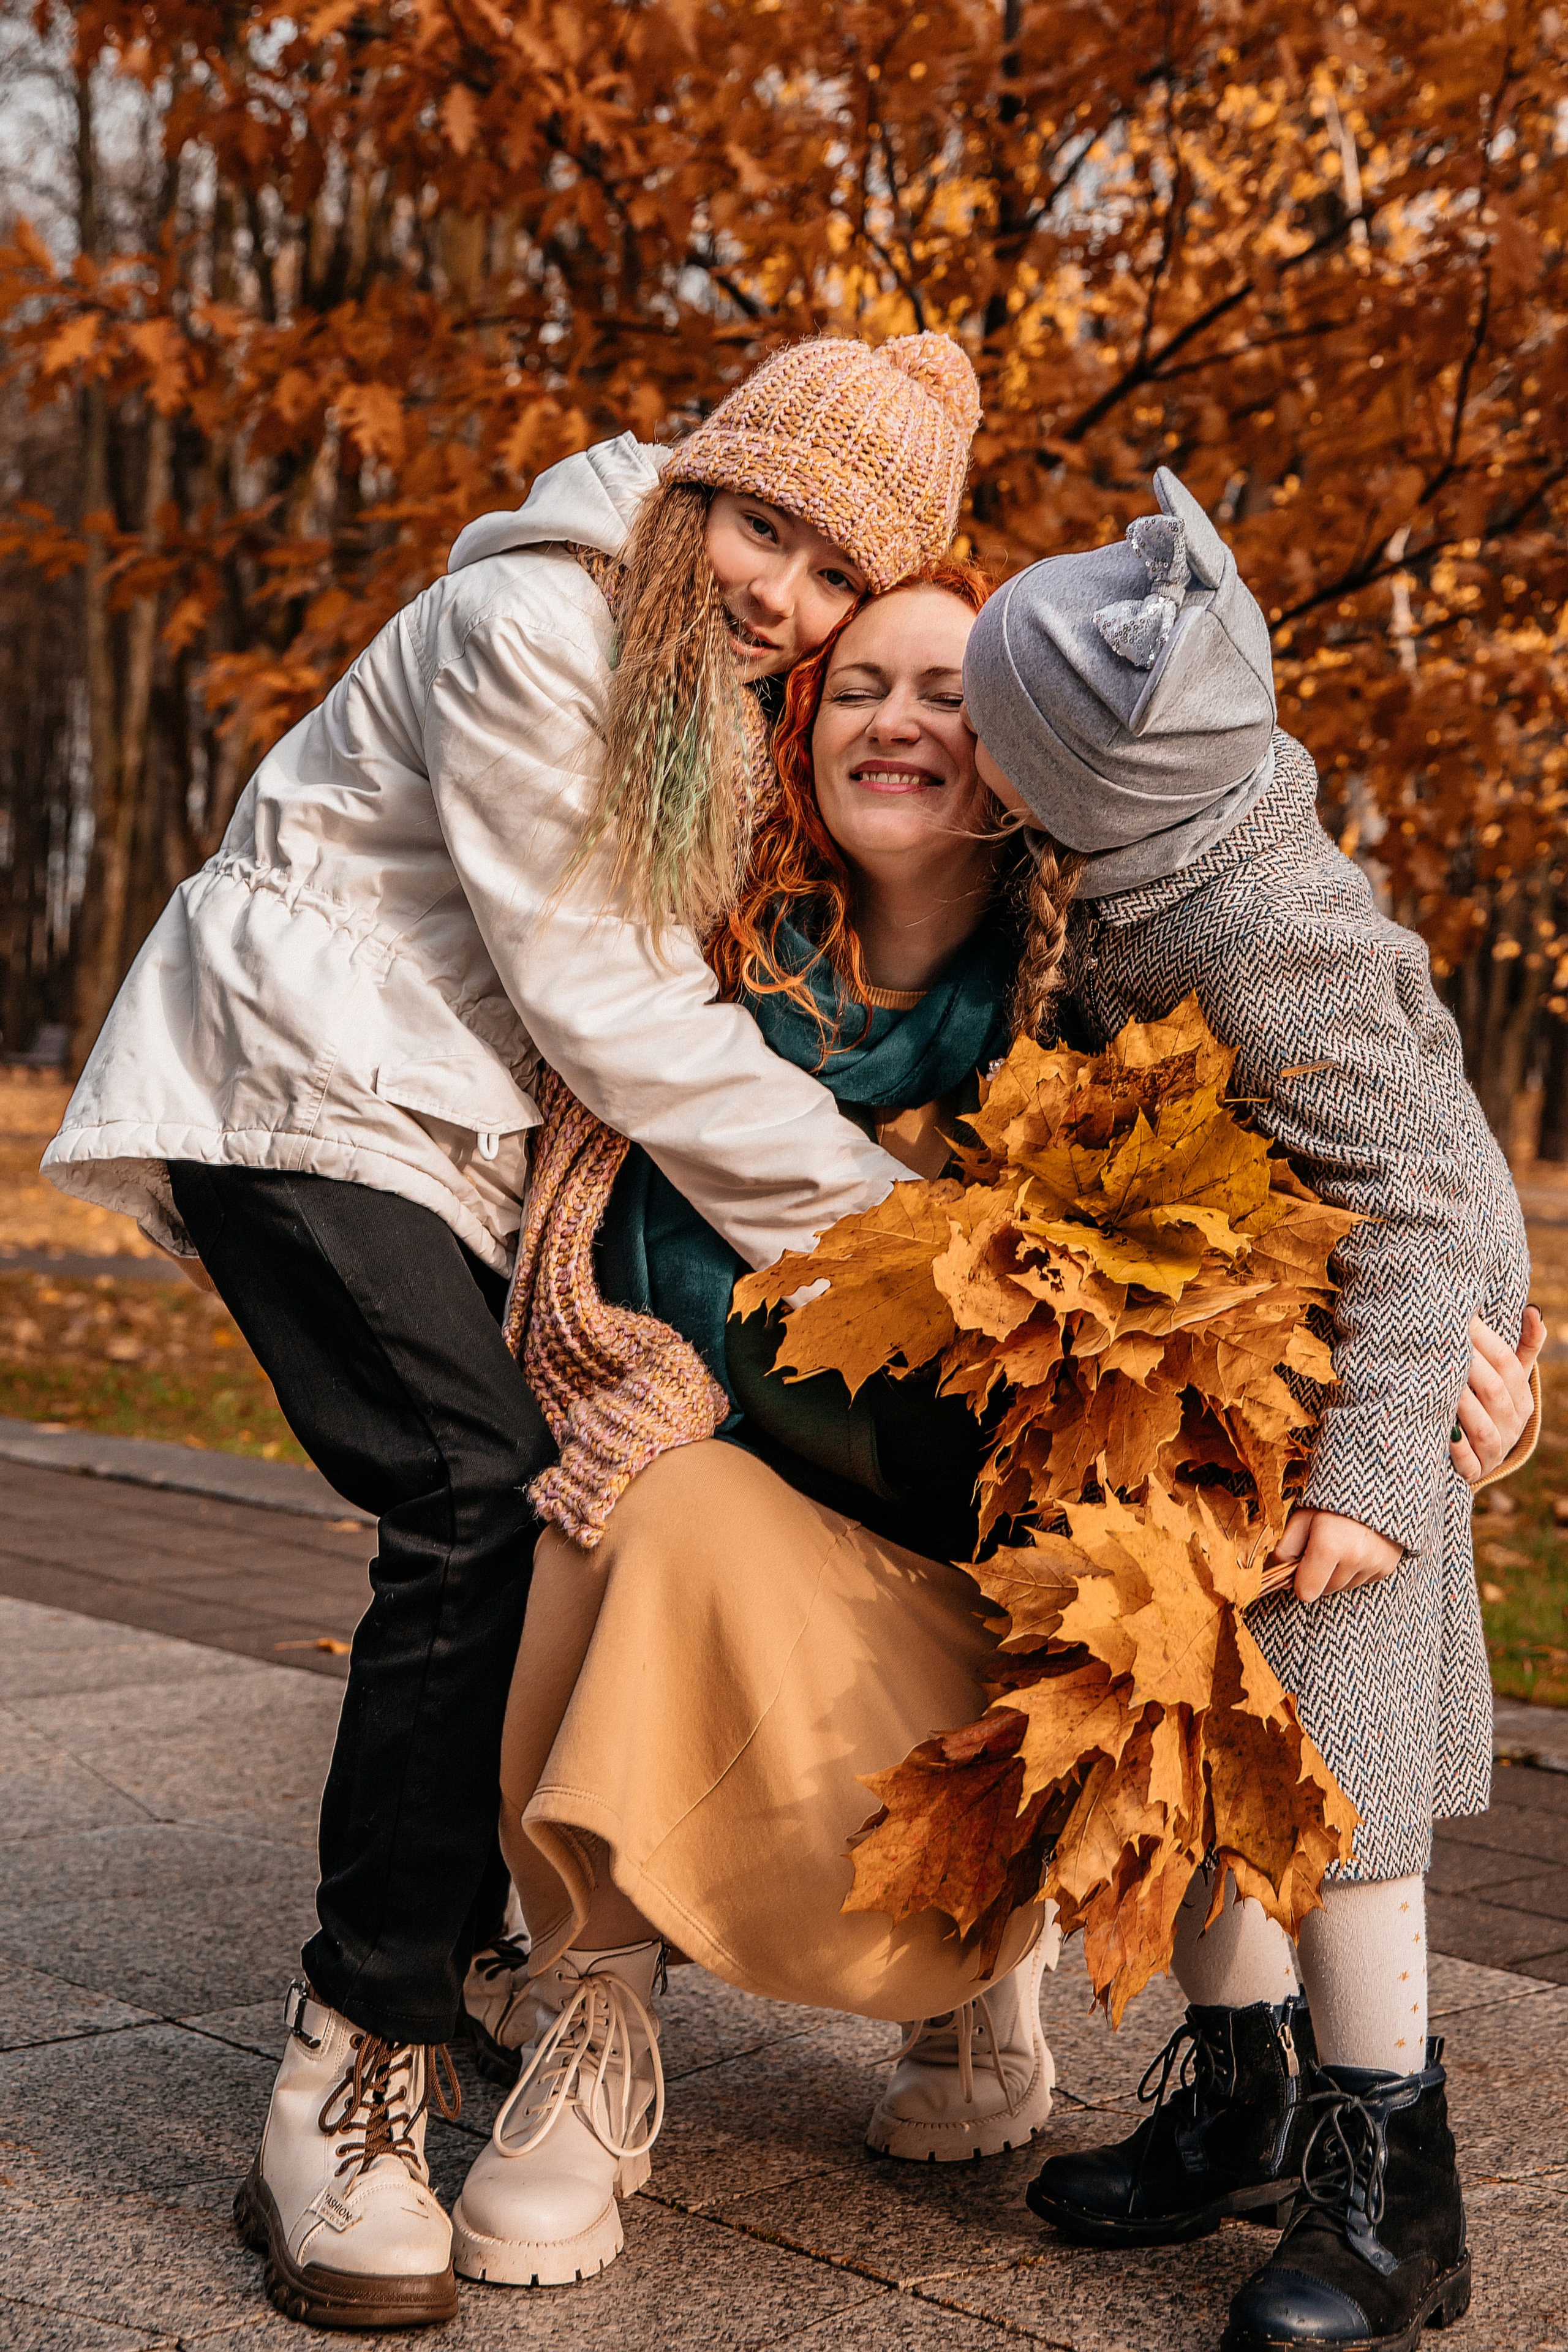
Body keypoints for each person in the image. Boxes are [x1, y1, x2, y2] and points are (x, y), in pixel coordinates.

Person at [39, 333, 985, 2332]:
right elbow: (614, 1012)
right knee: (471, 1493)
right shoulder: (538, 623)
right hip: (300, 1087)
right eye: (764, 526)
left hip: (439, 1137)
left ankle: (471, 1949)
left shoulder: (710, 695)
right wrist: (909, 1247)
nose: (782, 593)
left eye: (836, 573)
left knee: (560, 1493)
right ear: (697, 482)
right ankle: (348, 2069)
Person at [448, 568, 1543, 2297]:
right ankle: (602, 2009)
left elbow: (1389, 1170)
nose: (899, 719)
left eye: (950, 691)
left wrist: (1454, 1403)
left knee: (1269, 1752)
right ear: (796, 730)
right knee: (617, 1498)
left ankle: (1323, 2143)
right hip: (800, 1563)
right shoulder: (683, 971)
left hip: (1069, 1599)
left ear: (1031, 769)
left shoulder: (1097, 981)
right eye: (855, 684)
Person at [959, 467, 1540, 2352]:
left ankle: (1396, 2194)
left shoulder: (1261, 920)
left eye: (987, 723)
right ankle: (1245, 2101)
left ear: (1073, 775)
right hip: (1224, 1409)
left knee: (1332, 1805)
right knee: (1196, 1767)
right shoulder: (1159, 868)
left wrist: (1379, 1473)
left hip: (1348, 1425)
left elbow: (1427, 1197)